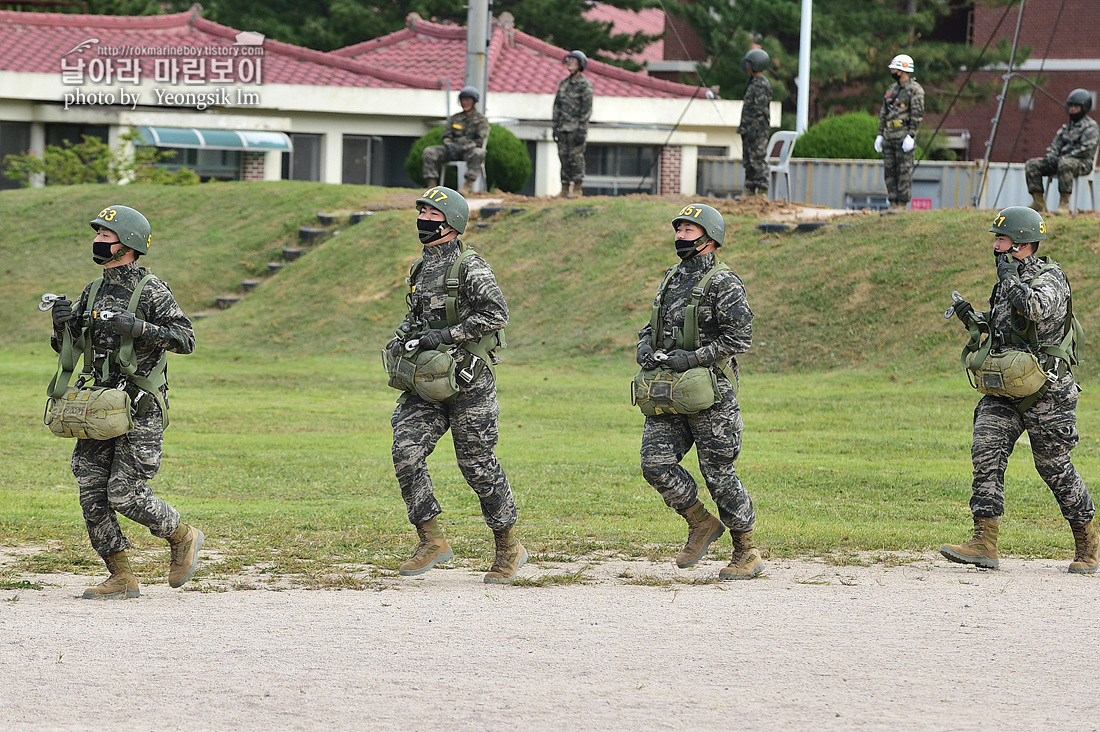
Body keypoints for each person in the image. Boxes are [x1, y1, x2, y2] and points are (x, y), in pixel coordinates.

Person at [48, 205, 201, 599]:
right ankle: (121, 576)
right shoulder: (93, 290)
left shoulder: (151, 290)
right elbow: (67, 348)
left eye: (106, 235)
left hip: (140, 408)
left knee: (125, 494)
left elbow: (186, 339)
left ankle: (182, 535)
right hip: (98, 408)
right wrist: (61, 325)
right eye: (97, 234)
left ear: (128, 243)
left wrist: (142, 328)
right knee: (91, 492)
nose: (97, 241)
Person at [942, 206, 1097, 573]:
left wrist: (1010, 279)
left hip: (1048, 393)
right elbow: (1008, 331)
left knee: (1053, 467)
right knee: (986, 450)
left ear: (1021, 243)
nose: (995, 246)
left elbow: (1035, 309)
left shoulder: (1050, 278)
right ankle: (985, 540)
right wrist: (973, 318)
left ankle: (1088, 542)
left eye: (1001, 239)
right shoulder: (1006, 279)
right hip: (1006, 390)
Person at [386, 185, 525, 583]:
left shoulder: (471, 267)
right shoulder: (419, 268)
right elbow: (418, 317)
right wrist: (406, 335)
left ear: (452, 224)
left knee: (477, 466)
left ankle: (508, 546)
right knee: (406, 452)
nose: (423, 220)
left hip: (470, 382)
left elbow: (497, 314)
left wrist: (444, 336)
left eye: (432, 214)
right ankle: (431, 539)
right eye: (422, 213)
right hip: (427, 384)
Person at [636, 203, 762, 580]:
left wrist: (693, 357)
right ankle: (700, 522)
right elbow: (653, 323)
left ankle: (746, 550)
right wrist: (645, 345)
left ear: (710, 238)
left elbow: (740, 337)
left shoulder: (725, 283)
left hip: (712, 395)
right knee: (654, 464)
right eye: (678, 230)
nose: (679, 237)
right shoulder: (672, 277)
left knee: (718, 473)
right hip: (670, 392)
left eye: (688, 231)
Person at [1024, 88, 1099, 214]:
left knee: (1065, 164)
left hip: (1082, 163)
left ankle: (1064, 203)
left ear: (1084, 107)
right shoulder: (1066, 128)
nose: (1072, 109)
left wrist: (1067, 157)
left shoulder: (1091, 127)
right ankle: (1038, 202)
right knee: (1032, 164)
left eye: (1076, 106)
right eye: (1070, 106)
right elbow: (1055, 144)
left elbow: (1087, 149)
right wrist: (1052, 156)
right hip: (1060, 161)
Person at [875, 54, 924, 212]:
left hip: (903, 135)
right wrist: (880, 134)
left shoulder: (914, 90)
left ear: (903, 70)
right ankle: (893, 202)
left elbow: (917, 114)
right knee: (890, 170)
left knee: (903, 170)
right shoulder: (891, 90)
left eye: (895, 68)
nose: (892, 70)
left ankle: (902, 204)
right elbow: (883, 113)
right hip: (889, 135)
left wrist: (911, 135)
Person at [422, 86, 490, 195]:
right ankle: (432, 186)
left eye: (467, 100)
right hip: (452, 150)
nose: (464, 102)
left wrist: (465, 147)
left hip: (468, 151)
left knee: (479, 152)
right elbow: (446, 136)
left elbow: (479, 141)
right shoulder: (454, 118)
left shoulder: (481, 120)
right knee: (429, 151)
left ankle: (466, 186)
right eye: (462, 100)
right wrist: (450, 146)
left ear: (473, 101)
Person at [552, 50, 594, 198]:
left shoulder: (585, 85)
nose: (570, 63)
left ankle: (577, 188)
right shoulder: (564, 84)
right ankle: (564, 187)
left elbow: (586, 110)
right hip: (563, 128)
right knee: (563, 157)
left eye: (573, 61)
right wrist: (555, 127)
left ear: (581, 64)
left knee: (575, 158)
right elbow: (557, 106)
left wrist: (582, 130)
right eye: (569, 60)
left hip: (576, 129)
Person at [739, 48, 772, 198]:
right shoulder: (753, 83)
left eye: (749, 65)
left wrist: (753, 128)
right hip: (748, 128)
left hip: (757, 129)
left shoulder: (761, 85)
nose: (747, 68)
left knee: (757, 158)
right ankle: (750, 189)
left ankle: (762, 190)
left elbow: (759, 109)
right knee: (748, 159)